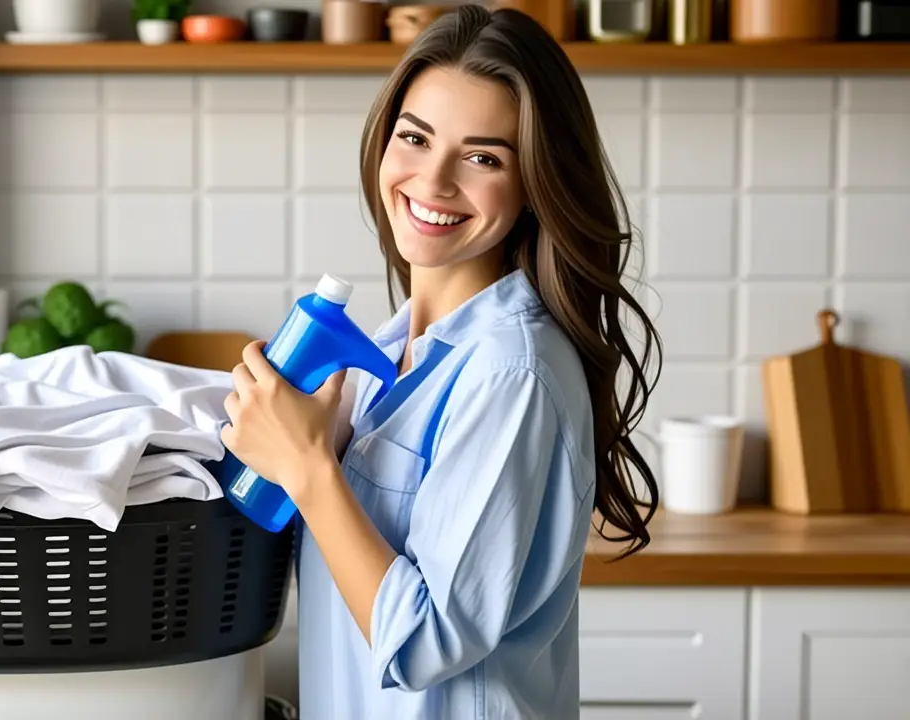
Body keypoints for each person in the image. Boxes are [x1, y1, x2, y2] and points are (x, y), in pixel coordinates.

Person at [219, 5, 662, 720]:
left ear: (532, 188)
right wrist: (309, 458)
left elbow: (424, 643)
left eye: (483, 157)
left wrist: (310, 468)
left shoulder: (513, 372)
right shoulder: (389, 355)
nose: (433, 180)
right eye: (414, 138)